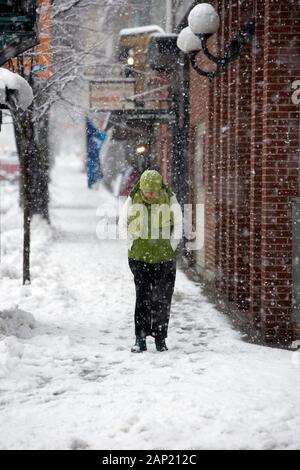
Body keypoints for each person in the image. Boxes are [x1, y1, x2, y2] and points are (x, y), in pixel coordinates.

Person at [119, 170, 182, 353]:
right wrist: (130, 244)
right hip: (140, 258)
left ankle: (160, 339)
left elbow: (178, 223)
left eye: (154, 192)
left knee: (162, 299)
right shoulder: (133, 199)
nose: (150, 195)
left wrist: (171, 245)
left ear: (159, 189)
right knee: (143, 298)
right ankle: (140, 338)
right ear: (142, 189)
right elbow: (122, 224)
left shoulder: (170, 198)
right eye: (147, 191)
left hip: (164, 258)